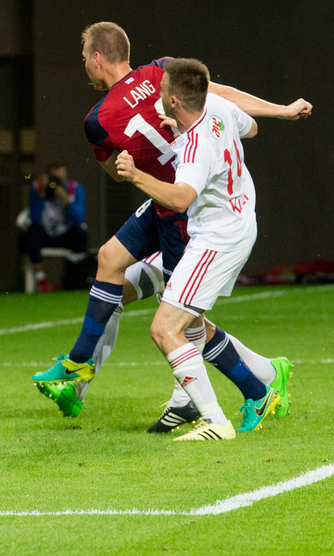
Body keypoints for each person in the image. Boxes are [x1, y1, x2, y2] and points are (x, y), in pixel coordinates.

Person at [31, 22, 310, 426]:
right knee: (111, 263)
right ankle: (79, 371)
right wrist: (280, 109)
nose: (85, 67)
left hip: (186, 216)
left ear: (97, 58)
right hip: (167, 207)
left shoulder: (98, 119)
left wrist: (136, 167)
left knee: (180, 323)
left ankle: (248, 389)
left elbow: (119, 174)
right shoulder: (161, 70)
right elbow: (224, 98)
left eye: (85, 59)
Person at [115, 58, 273, 439]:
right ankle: (258, 390)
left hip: (218, 239)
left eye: (161, 88)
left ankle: (215, 421)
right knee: (193, 325)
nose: (157, 92)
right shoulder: (216, 105)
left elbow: (181, 198)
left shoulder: (195, 144)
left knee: (164, 328)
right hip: (238, 222)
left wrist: (136, 175)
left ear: (173, 100)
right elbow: (251, 128)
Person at [23, 163, 88, 293]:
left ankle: (70, 279)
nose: (57, 183)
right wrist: (41, 194)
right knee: (31, 232)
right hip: (45, 235)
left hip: (65, 234)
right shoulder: (37, 187)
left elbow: (80, 219)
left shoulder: (75, 188)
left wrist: (66, 200)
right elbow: (33, 218)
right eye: (55, 178)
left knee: (81, 234)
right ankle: (41, 280)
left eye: (61, 178)